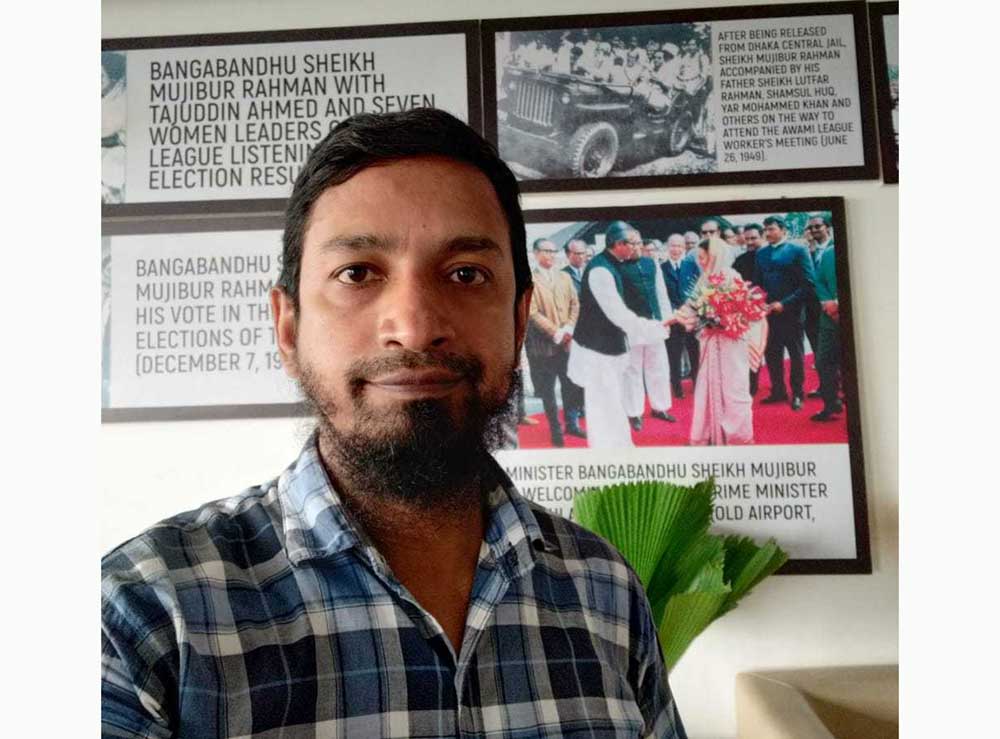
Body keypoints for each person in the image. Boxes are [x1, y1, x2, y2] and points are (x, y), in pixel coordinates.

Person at [101, 109, 686, 738]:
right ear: (289, 327)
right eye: (357, 274)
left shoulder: (607, 590)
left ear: (520, 322)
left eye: (466, 274)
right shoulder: (145, 615)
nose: (413, 325)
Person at [567, 221, 673, 449]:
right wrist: (656, 328)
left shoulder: (612, 263)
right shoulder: (601, 270)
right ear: (619, 244)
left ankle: (619, 446)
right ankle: (608, 452)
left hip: (609, 348)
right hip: (597, 351)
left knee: (612, 404)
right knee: (603, 407)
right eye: (633, 244)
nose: (637, 248)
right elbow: (619, 315)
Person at [681, 237, 756, 445]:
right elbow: (690, 307)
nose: (701, 262)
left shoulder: (733, 277)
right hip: (710, 342)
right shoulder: (704, 279)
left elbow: (746, 312)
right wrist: (684, 317)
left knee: (734, 389)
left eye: (703, 257)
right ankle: (710, 434)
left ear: (715, 256)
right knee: (707, 385)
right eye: (699, 258)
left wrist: (721, 319)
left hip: (731, 344)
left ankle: (737, 436)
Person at [753, 215, 817, 410]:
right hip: (768, 314)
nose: (768, 233)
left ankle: (797, 393)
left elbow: (808, 284)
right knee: (772, 354)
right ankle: (778, 391)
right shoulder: (761, 253)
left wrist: (785, 303)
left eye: (771, 229)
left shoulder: (797, 250)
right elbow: (758, 283)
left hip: (792, 313)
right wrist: (759, 301)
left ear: (782, 230)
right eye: (766, 230)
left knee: (796, 354)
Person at [525, 238, 585, 443]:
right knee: (548, 392)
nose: (550, 254)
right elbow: (531, 313)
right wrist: (556, 333)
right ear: (535, 253)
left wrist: (568, 328)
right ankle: (556, 431)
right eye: (546, 251)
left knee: (571, 387)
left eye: (553, 250)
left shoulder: (564, 277)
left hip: (566, 343)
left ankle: (572, 424)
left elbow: (575, 305)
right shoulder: (529, 279)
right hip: (544, 347)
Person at [620, 229, 677, 429]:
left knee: (658, 367)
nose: (635, 247)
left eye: (637, 243)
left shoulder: (651, 263)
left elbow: (661, 292)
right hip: (632, 326)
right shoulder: (616, 267)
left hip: (654, 323)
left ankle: (660, 407)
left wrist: (667, 320)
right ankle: (634, 412)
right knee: (632, 369)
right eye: (630, 243)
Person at [662, 233, 702, 399]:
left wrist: (691, 310)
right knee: (673, 354)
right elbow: (662, 294)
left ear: (684, 248)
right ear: (667, 247)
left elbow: (698, 290)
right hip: (672, 318)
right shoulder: (661, 268)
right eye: (673, 245)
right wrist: (675, 313)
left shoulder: (692, 266)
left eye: (679, 246)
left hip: (692, 317)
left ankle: (697, 383)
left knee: (694, 352)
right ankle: (676, 387)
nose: (676, 249)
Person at [732, 223, 767, 396]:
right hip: (750, 313)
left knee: (777, 353)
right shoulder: (740, 261)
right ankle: (751, 387)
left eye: (754, 238)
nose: (750, 242)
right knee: (750, 349)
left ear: (762, 236)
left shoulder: (772, 256)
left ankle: (786, 390)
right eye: (747, 239)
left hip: (775, 309)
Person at [811, 239, 843, 422]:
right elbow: (820, 281)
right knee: (823, 362)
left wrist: (838, 303)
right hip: (828, 319)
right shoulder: (829, 253)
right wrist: (828, 303)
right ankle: (831, 404)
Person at [803, 214, 834, 398]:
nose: (814, 230)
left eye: (817, 227)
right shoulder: (809, 250)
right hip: (812, 309)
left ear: (827, 228)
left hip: (832, 306)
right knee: (819, 353)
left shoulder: (834, 248)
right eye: (811, 228)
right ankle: (825, 387)